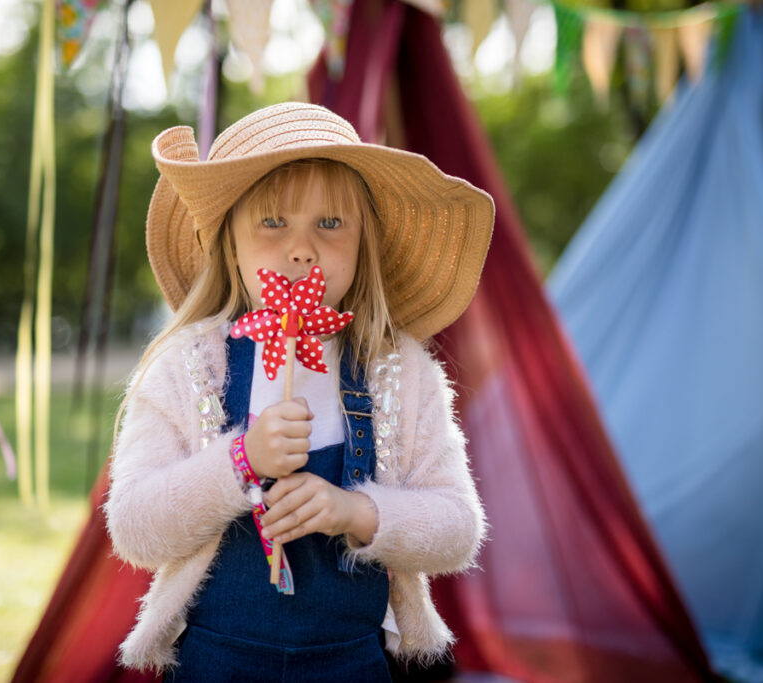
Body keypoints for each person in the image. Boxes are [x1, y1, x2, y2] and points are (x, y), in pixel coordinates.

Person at [104, 102, 495, 681]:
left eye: (331, 224)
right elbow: (135, 529)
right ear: (229, 243)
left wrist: (356, 512)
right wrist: (240, 462)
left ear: (365, 243)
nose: (302, 248)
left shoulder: (398, 371)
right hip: (218, 661)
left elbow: (458, 530)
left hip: (351, 662)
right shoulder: (188, 367)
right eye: (272, 221)